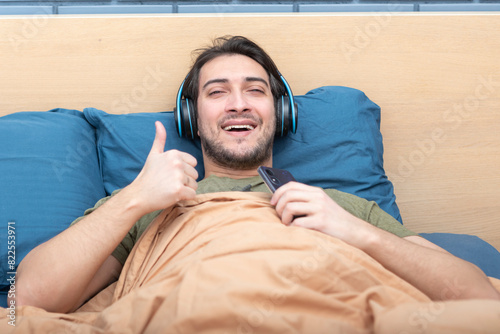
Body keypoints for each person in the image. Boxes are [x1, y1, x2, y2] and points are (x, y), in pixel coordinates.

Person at [13, 35, 500, 314]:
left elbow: (475, 294)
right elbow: (27, 300)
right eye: (217, 92)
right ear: (191, 118)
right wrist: (134, 200)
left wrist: (356, 232)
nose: (239, 103)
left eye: (255, 90)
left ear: (281, 112)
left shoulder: (345, 207)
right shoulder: (144, 203)